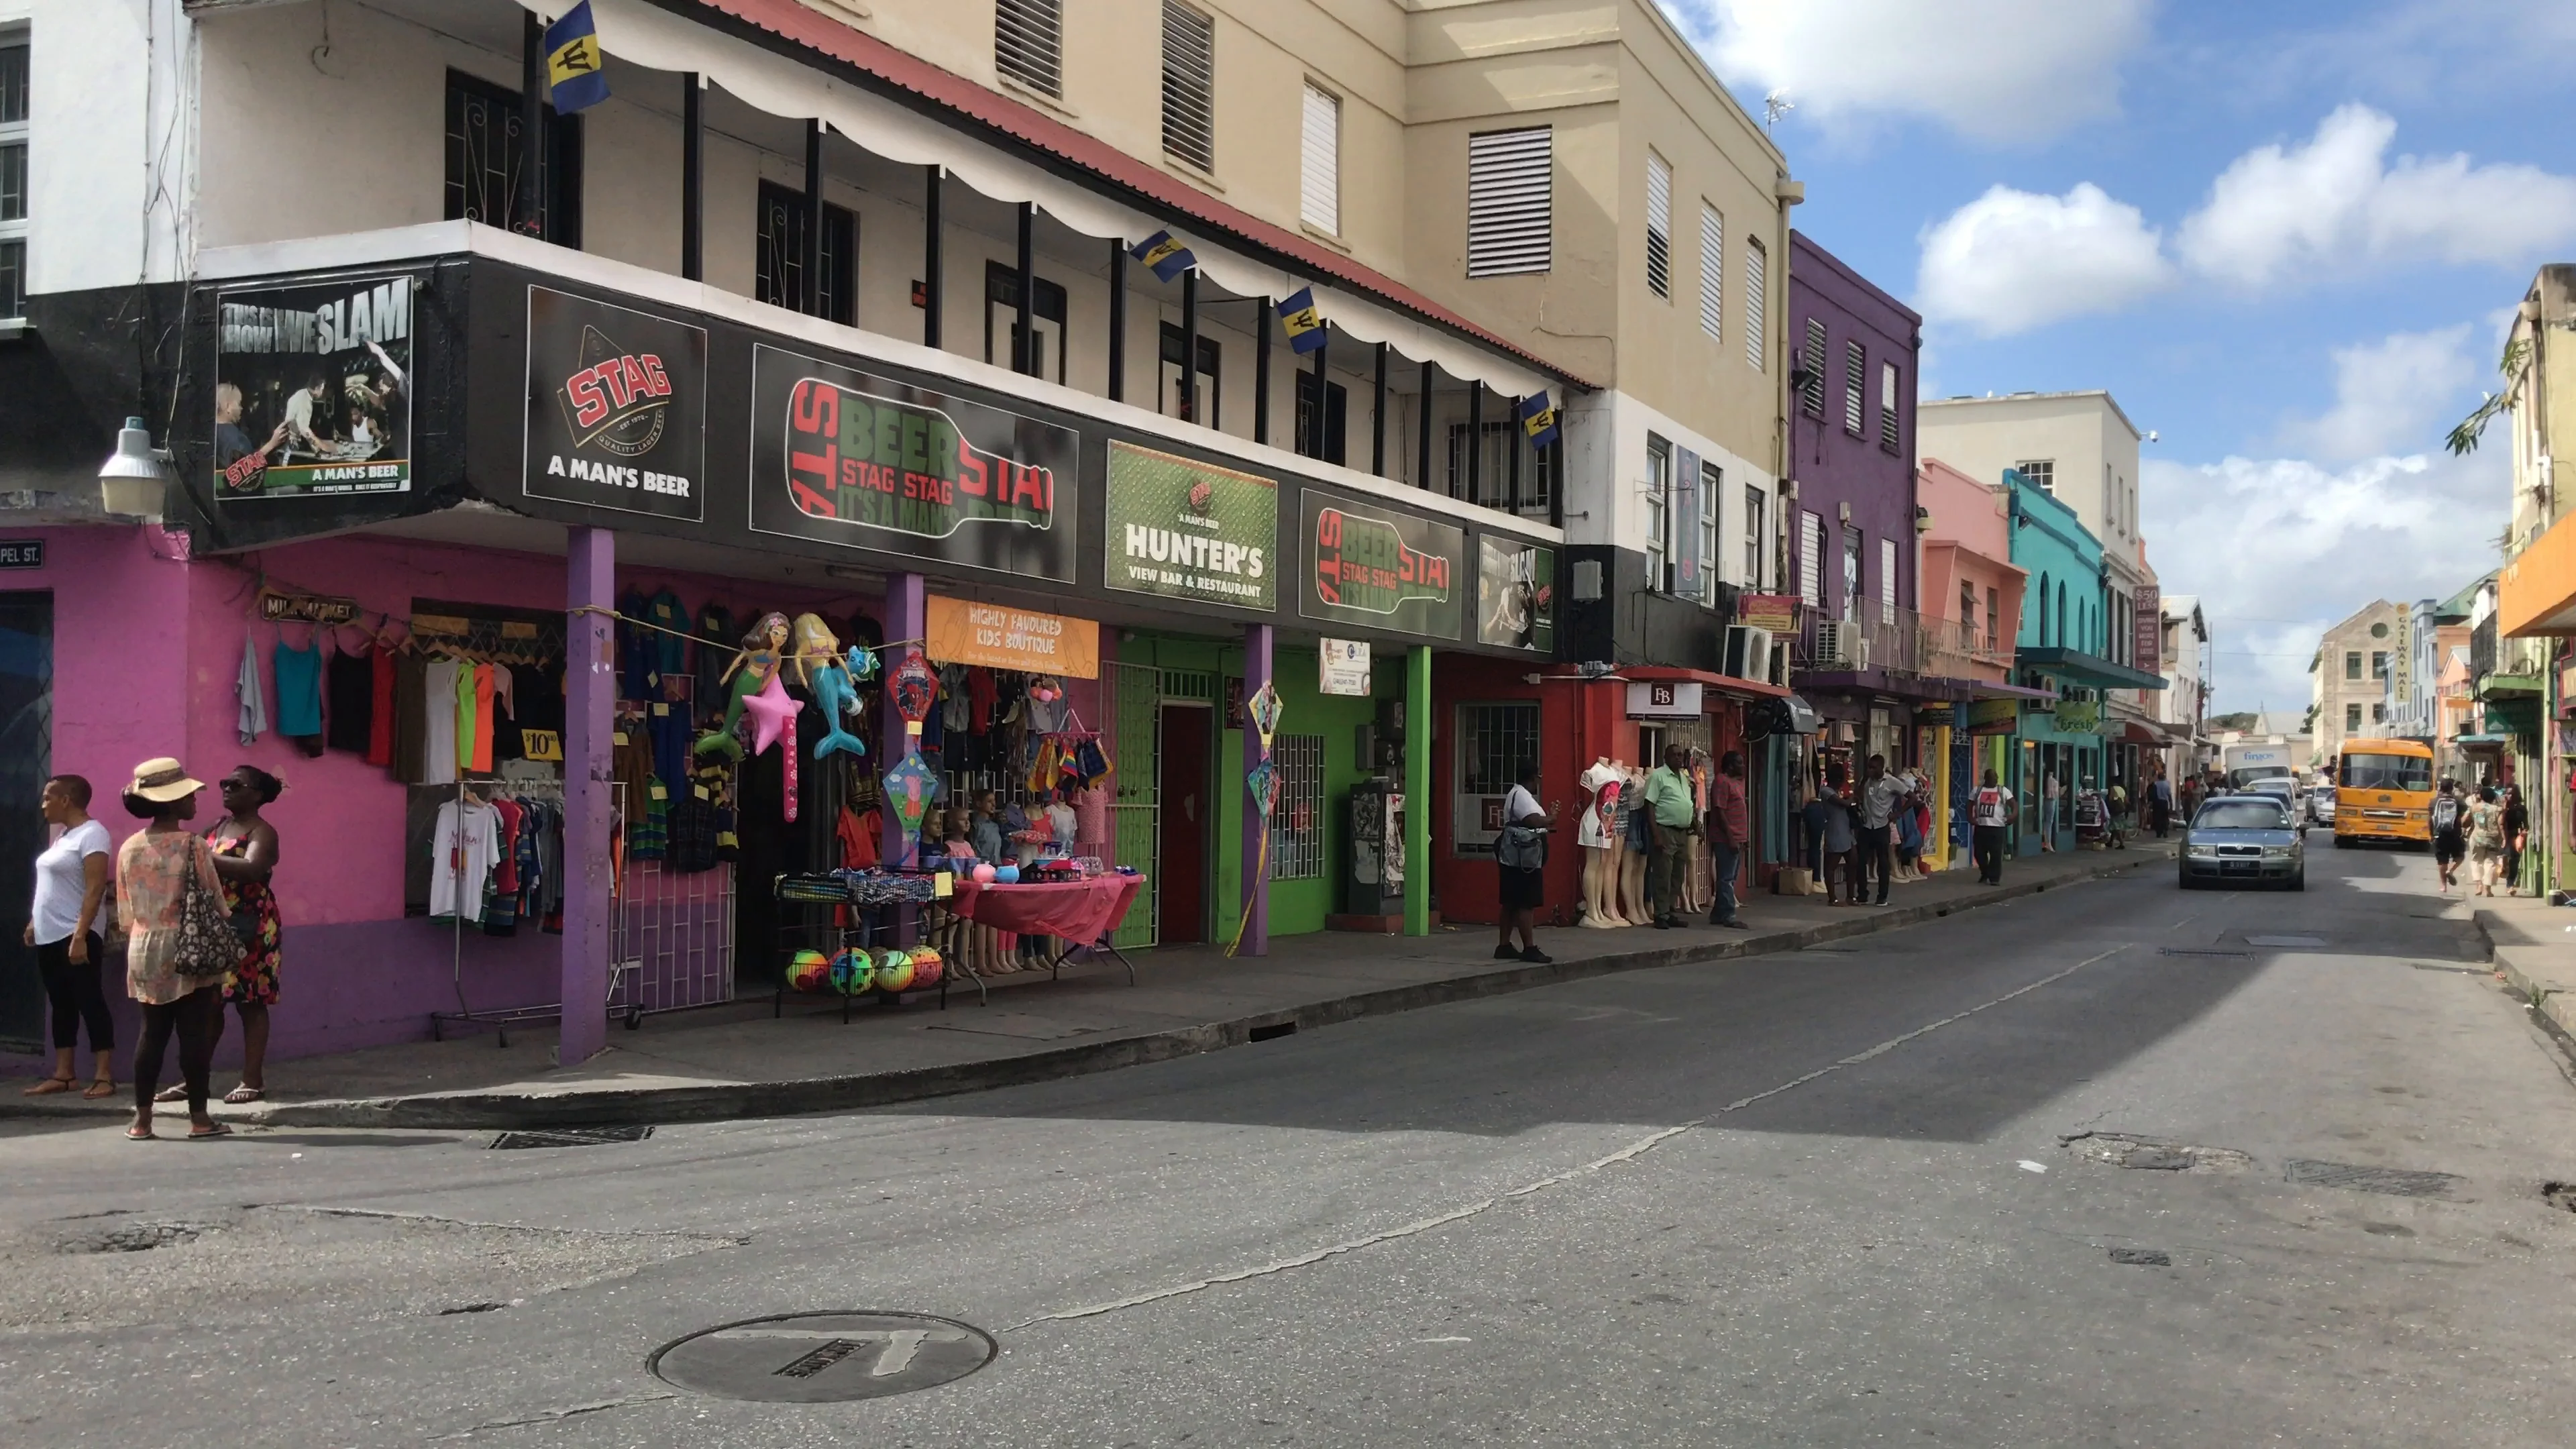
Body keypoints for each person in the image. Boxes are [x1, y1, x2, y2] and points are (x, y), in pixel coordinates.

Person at [115, 758, 233, 1140]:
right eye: (189, 795)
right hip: (189, 946)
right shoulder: (193, 845)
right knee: (194, 1034)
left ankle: (142, 1120)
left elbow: (125, 909)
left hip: (144, 946)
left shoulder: (129, 847)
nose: (196, 801)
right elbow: (216, 900)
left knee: (151, 1034)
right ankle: (200, 1118)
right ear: (173, 801)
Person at [185, 765, 283, 1106]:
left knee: (250, 1001)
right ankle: (193, 1079)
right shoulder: (217, 826)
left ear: (257, 794)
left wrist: (202, 857)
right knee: (209, 1003)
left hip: (251, 923)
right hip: (216, 924)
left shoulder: (263, 831)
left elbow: (252, 869)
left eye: (236, 785)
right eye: (224, 783)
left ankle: (253, 1081)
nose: (226, 788)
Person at [23, 774, 115, 1098]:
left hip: (76, 933)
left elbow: (94, 888)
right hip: (49, 934)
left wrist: (81, 934)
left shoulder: (93, 834)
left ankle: (104, 1075)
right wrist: (35, 922)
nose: (43, 804)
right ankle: (64, 1074)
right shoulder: (63, 837)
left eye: (49, 797)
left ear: (67, 800)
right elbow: (53, 884)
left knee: (89, 999)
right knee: (61, 1003)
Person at [1495, 761, 1556, 962]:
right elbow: (1533, 821)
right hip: (1523, 858)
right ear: (1532, 778)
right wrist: (1552, 818)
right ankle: (1529, 947)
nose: (1539, 781)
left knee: (1511, 902)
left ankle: (1504, 945)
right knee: (1525, 903)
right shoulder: (1521, 795)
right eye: (1538, 777)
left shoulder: (1517, 793)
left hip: (1513, 856)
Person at [1641, 743, 1698, 928]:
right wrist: (1656, 834)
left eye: (1681, 755)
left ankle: (1671, 910)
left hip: (1682, 832)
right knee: (1662, 874)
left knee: (1677, 875)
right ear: (1665, 758)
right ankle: (1661, 914)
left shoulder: (1683, 777)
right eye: (1675, 755)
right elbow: (1649, 805)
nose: (1679, 758)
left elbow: (1687, 803)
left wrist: (1695, 825)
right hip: (1665, 830)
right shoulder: (1658, 776)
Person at [1704, 751, 1750, 929]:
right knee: (1726, 878)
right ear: (1730, 765)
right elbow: (1720, 811)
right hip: (1725, 839)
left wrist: (1744, 838)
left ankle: (1718, 913)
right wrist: (1730, 837)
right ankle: (1729, 914)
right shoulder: (1722, 782)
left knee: (1731, 876)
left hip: (1738, 837)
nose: (1743, 766)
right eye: (1740, 763)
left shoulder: (1738, 783)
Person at [1857, 754, 1908, 906]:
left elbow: (1911, 797)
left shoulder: (1891, 782)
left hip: (1882, 825)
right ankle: (1862, 895)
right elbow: (1858, 796)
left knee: (1883, 862)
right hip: (1867, 825)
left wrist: (1898, 813)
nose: (1871, 770)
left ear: (1881, 768)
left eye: (1874, 768)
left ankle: (1882, 897)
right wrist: (1864, 780)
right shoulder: (1866, 781)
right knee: (1861, 861)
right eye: (1869, 767)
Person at [1819, 767, 1860, 906]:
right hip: (1835, 831)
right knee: (1831, 866)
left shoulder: (1835, 792)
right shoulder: (1826, 792)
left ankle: (1851, 896)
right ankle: (1833, 898)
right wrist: (1853, 798)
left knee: (1853, 862)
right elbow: (1844, 804)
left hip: (1846, 831)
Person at [1971, 767, 2013, 886]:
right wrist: (1971, 818)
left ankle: (1994, 878)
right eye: (1991, 778)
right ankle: (1985, 872)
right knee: (1979, 853)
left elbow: (2014, 805)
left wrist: (2012, 817)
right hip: (1981, 826)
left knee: (1996, 854)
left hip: (1997, 827)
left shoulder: (2003, 790)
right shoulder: (1977, 790)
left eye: (1996, 778)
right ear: (1986, 779)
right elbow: (1969, 804)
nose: (1994, 780)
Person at [2465, 785, 2506, 898]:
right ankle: (2488, 888)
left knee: (2476, 861)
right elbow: (2501, 824)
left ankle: (2479, 885)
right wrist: (2504, 838)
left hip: (2477, 838)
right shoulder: (2498, 810)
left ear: (2481, 796)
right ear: (2493, 797)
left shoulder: (2474, 807)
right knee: (2491, 863)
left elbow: (2465, 821)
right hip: (2493, 839)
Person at [2430, 779, 2465, 893]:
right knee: (2460, 857)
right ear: (2452, 788)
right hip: (2455, 834)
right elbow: (2462, 819)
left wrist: (2431, 834)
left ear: (2440, 788)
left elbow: (2430, 820)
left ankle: (2443, 886)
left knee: (2442, 861)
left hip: (2439, 834)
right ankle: (2450, 871)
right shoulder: (2458, 802)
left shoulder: (2433, 802)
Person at [2502, 784, 2530, 896]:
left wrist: (2524, 832)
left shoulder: (2521, 809)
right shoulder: (2503, 808)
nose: (2510, 796)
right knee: (2504, 861)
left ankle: (2510, 884)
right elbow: (2499, 822)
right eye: (2508, 793)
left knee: (2514, 860)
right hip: (2503, 836)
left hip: (2515, 836)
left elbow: (2526, 825)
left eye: (2512, 793)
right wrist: (2504, 808)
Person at [2149, 771, 2174, 839]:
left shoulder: (2156, 784)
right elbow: (2169, 796)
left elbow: (2152, 794)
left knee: (2157, 818)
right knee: (2165, 817)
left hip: (2157, 802)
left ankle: (2159, 832)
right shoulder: (2167, 784)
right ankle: (2165, 830)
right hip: (2164, 802)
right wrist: (2171, 805)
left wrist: (2151, 803)